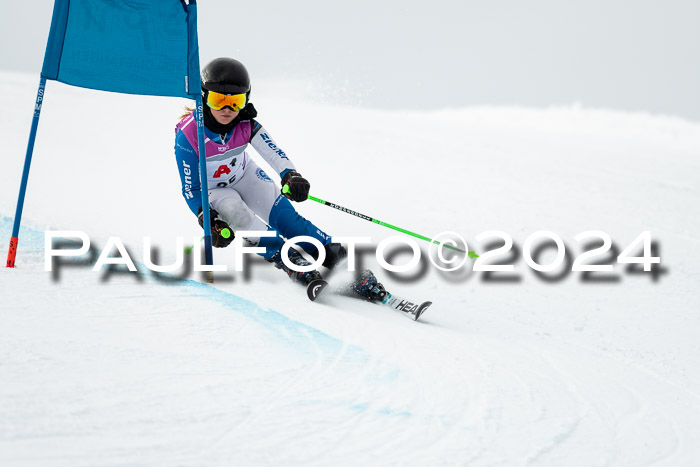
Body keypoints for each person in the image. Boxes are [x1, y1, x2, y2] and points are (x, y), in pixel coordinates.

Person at [174, 57, 384, 300]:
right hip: (215, 190)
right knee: (237, 213)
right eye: (218, 100)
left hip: (245, 176)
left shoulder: (245, 124)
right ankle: (290, 260)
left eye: (236, 101)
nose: (227, 109)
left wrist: (291, 176)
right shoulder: (189, 134)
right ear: (203, 97)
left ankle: (345, 264)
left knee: (289, 221)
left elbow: (274, 153)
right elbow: (191, 188)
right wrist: (206, 217)